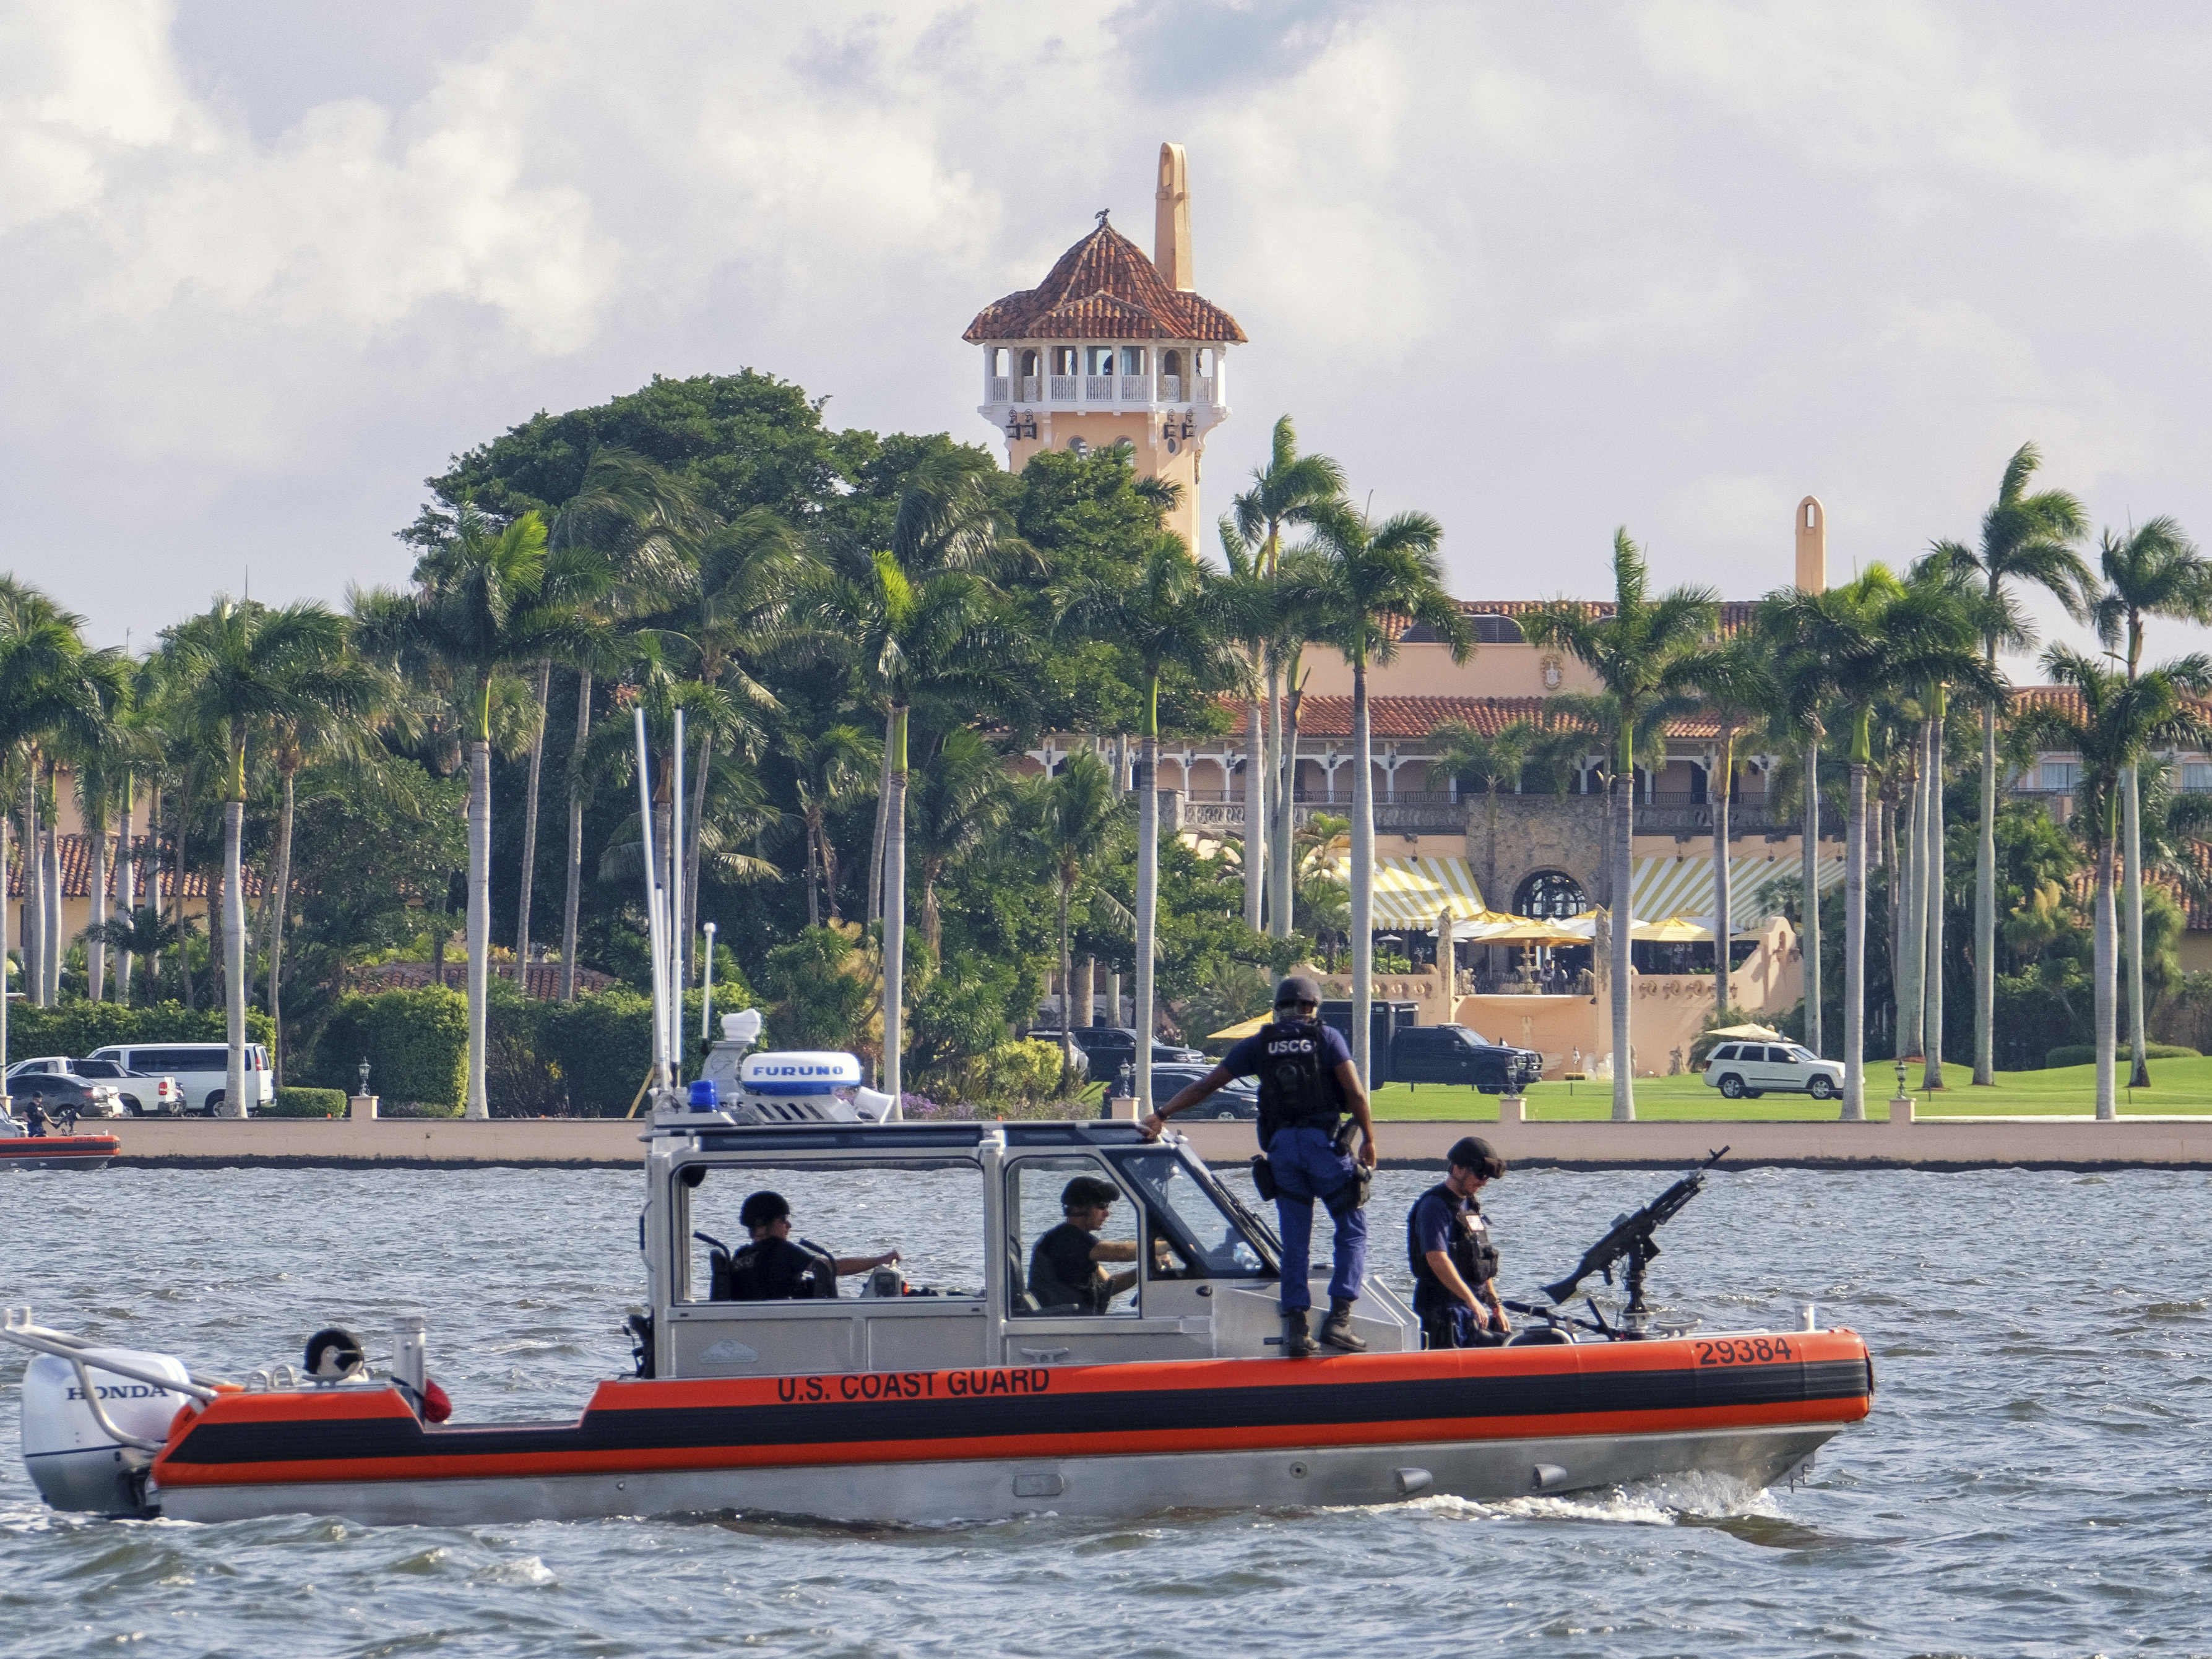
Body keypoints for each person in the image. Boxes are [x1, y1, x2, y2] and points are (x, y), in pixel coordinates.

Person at [1144, 975, 1378, 1358]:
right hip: (1323, 1146)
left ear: (1279, 1007)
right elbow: (1354, 1092)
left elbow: (1206, 1086)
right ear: (1312, 1007)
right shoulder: (1327, 1038)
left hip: (1282, 1150)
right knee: (1352, 1228)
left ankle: (1298, 1330)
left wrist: (1162, 1114)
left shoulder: (1257, 1045)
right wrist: (1369, 1137)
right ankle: (1339, 1319)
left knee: (1295, 1241)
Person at [1407, 1135, 1511, 1350]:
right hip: (1444, 1312)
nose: (1483, 1182)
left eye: (1487, 1178)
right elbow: (1436, 1257)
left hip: (1474, 1311)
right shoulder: (1434, 1206)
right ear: (1458, 1169)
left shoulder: (1470, 1205)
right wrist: (1471, 1300)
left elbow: (1482, 1258)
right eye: (1480, 1175)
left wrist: (1495, 1305)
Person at [712, 1191, 900, 1301]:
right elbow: (834, 1268)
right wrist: (880, 1260)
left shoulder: (740, 1256)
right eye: (784, 1220)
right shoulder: (781, 1249)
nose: (789, 1226)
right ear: (767, 1223)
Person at [1027, 1175, 1148, 1313]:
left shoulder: (1076, 1240)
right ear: (1079, 1207)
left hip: (1080, 1322)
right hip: (1067, 1326)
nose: (1107, 1213)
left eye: (1107, 1206)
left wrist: (1145, 1271)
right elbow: (1121, 1252)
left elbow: (1108, 1286)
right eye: (1102, 1206)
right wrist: (1163, 1246)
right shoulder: (1066, 1240)